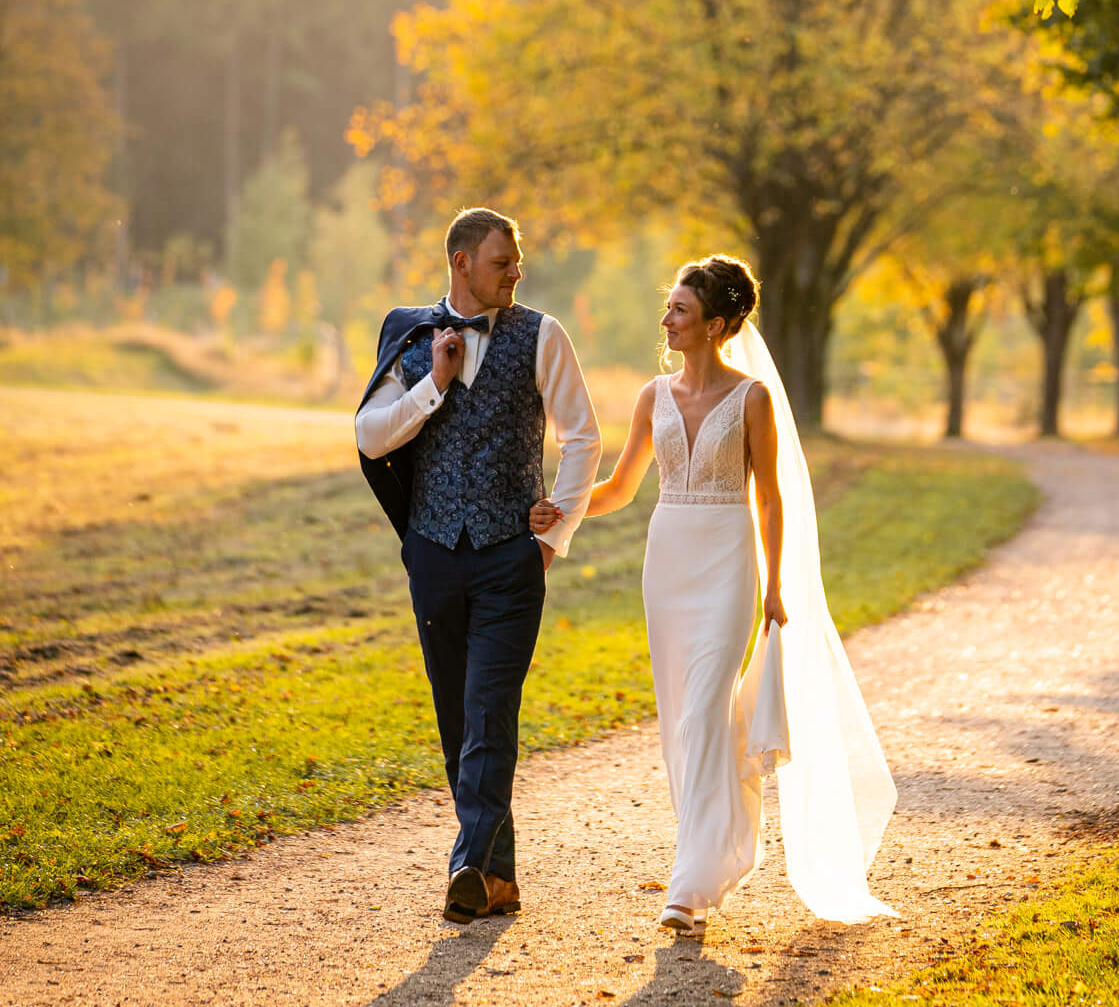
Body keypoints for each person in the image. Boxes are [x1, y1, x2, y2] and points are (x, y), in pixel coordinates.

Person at [530, 254, 896, 932]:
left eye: (681, 310)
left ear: (716, 325)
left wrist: (776, 585)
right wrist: (563, 509)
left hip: (728, 565)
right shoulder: (653, 396)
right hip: (668, 567)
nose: (667, 320)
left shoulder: (752, 399)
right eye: (669, 307)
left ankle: (689, 883)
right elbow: (622, 488)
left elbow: (770, 499)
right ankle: (715, 853)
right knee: (682, 719)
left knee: (703, 710)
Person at [356, 205, 602, 926]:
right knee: (457, 717)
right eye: (503, 262)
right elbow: (370, 436)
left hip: (509, 559)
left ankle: (465, 864)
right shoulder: (410, 335)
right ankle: (497, 878)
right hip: (433, 555)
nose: (516, 273)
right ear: (462, 263)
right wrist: (433, 385)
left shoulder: (542, 334)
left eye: (518, 262)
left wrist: (555, 530)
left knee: (490, 711)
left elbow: (583, 437)